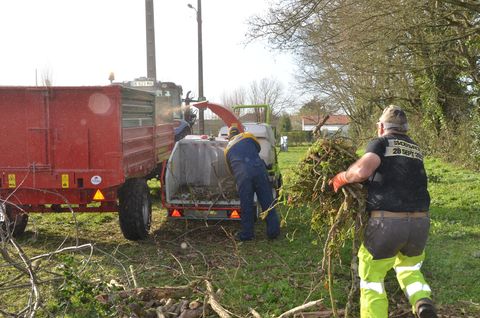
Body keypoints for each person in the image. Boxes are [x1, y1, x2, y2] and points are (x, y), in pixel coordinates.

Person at [329, 105, 437, 318]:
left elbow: (362, 171)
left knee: (372, 279)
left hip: (387, 225)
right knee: (410, 269)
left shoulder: (382, 142)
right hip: (420, 224)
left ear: (381, 126)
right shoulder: (415, 148)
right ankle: (422, 302)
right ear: (405, 128)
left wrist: (341, 177)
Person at [224, 126, 280, 241]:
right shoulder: (248, 135)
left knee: (247, 205)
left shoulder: (227, 150)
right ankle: (273, 232)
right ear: (239, 132)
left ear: (229, 137)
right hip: (259, 170)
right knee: (267, 201)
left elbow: (231, 171)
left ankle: (247, 234)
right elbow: (258, 148)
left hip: (243, 177)